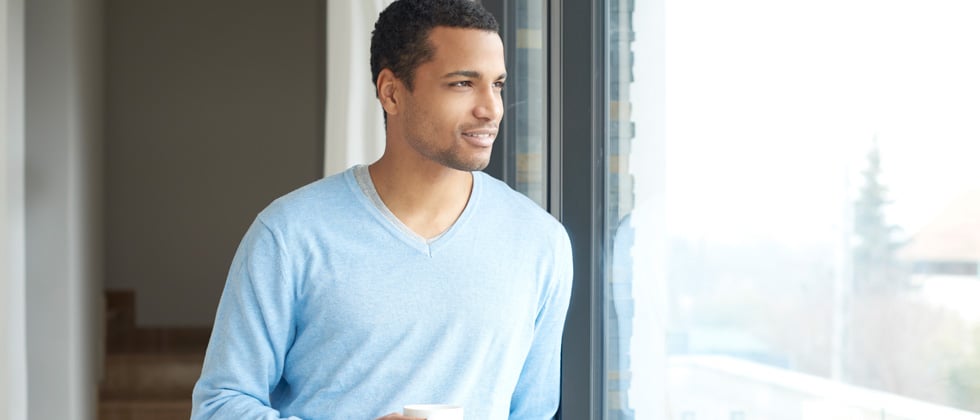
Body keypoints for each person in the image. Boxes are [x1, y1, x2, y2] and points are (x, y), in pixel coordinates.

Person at [190, 0, 573, 419]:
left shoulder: (540, 241)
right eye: (463, 83)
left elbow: (533, 411)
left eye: (497, 84)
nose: (491, 108)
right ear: (391, 92)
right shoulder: (289, 235)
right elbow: (220, 406)